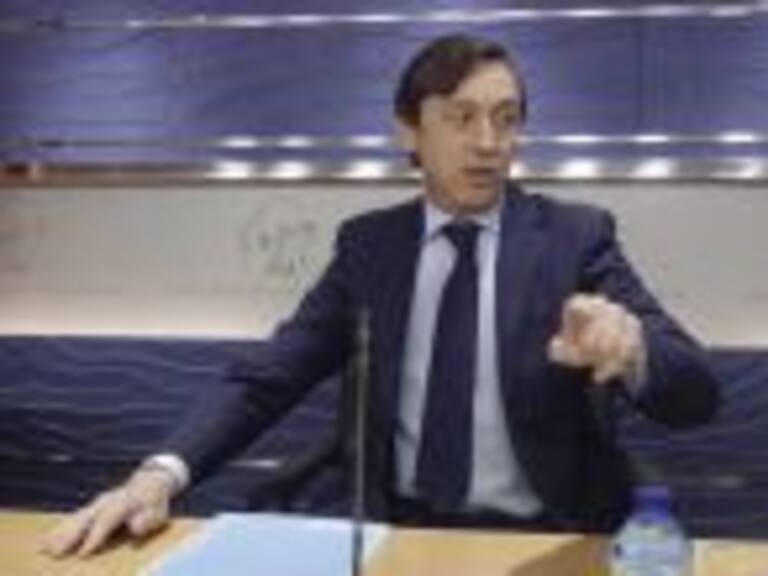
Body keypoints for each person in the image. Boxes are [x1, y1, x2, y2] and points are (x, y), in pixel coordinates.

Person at [43, 33, 719, 557]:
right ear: (409, 130)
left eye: (506, 119)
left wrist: (633, 351)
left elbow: (697, 396)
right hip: (394, 534)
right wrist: (159, 475)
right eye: (461, 117)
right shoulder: (371, 249)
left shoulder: (574, 239)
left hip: (545, 535)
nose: (488, 143)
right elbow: (267, 380)